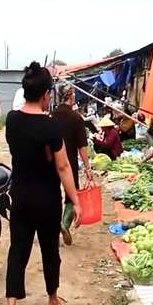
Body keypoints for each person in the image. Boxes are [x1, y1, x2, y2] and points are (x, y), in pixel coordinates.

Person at [4, 62, 82, 305]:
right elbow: (62, 166)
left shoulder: (12, 121)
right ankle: (52, 299)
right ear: (46, 94)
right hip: (47, 198)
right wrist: (76, 199)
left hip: (21, 195)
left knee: (18, 251)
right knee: (50, 250)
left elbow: (20, 151)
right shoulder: (50, 126)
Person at [52, 84, 92, 245]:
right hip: (69, 163)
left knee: (53, 193)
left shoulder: (51, 116)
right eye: (73, 94)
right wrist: (88, 167)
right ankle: (64, 223)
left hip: (52, 161)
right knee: (71, 193)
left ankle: (52, 224)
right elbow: (82, 146)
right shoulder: (76, 118)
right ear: (70, 96)